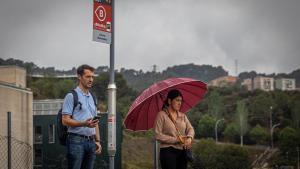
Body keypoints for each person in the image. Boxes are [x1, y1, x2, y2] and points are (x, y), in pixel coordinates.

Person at [62, 64, 101, 169]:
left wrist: (97, 141)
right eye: (88, 77)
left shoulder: (93, 97)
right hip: (76, 141)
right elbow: (65, 120)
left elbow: (95, 121)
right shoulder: (71, 96)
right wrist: (84, 123)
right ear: (79, 77)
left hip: (91, 142)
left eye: (92, 77)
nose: (91, 80)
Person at [154, 89, 195, 169]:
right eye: (177, 100)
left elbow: (190, 128)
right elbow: (157, 135)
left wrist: (189, 138)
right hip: (167, 151)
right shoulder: (161, 115)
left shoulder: (183, 116)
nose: (180, 103)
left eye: (181, 101)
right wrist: (176, 139)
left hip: (182, 151)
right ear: (169, 101)